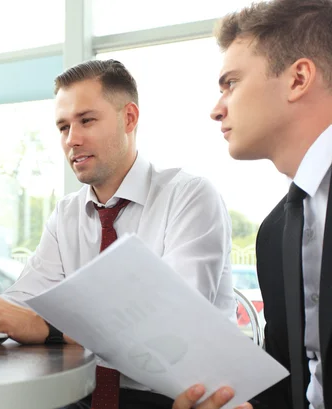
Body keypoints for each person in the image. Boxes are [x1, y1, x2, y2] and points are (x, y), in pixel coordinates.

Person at [0, 59, 236, 409]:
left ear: (129, 118)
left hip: (178, 398)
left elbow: (173, 324)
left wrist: (50, 329)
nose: (73, 139)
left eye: (87, 121)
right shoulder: (68, 214)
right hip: (82, 393)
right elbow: (19, 305)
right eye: (63, 127)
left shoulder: (188, 196)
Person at [174, 0, 332, 408]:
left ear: (298, 78)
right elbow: (294, 378)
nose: (216, 109)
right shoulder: (277, 230)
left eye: (231, 83)